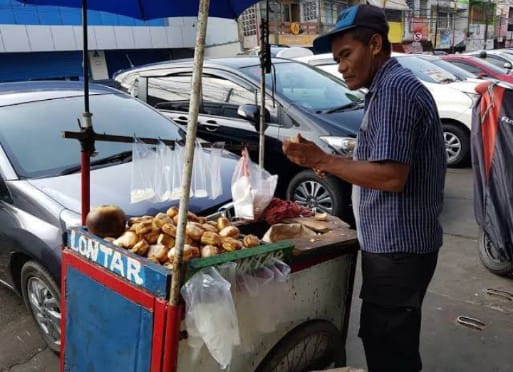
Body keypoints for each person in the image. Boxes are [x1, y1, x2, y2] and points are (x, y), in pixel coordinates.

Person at [282, 4, 447, 372]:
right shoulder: (384, 89)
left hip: (398, 251)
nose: (340, 67)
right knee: (386, 341)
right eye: (336, 58)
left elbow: (391, 176)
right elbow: (376, 162)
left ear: (374, 44)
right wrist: (329, 159)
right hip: (395, 249)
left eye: (345, 55)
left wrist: (321, 160)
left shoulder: (395, 91)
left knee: (389, 351)